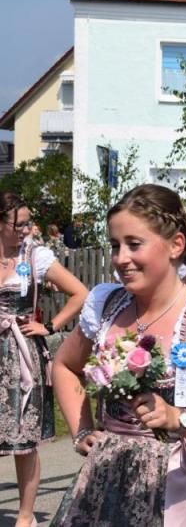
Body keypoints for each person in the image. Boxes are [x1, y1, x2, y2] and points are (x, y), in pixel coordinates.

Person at [51, 184, 186, 525]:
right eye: (115, 245)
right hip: (109, 482)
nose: (121, 258)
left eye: (134, 244)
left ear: (176, 245)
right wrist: (82, 430)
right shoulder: (106, 305)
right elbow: (64, 365)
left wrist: (177, 417)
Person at [0, 193, 87, 527]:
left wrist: (49, 325)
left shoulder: (35, 255)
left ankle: (25, 515)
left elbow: (79, 292)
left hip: (22, 353)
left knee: (24, 440)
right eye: (18, 224)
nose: (25, 229)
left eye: (27, 222)